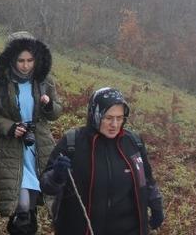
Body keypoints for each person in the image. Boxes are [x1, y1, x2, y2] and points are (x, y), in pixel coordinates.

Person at [41, 87, 165, 235]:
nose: (115, 124)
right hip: (81, 229)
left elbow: (146, 179)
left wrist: (156, 205)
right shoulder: (72, 143)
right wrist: (56, 176)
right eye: (108, 118)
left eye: (119, 118)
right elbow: (46, 186)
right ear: (95, 114)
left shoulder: (133, 143)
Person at [0, 31, 62, 235]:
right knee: (22, 205)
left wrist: (49, 105)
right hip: (11, 150)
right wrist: (9, 127)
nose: (26, 65)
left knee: (31, 206)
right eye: (21, 61)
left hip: (38, 147)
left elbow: (56, 112)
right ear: (11, 58)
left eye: (30, 60)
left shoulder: (44, 81)